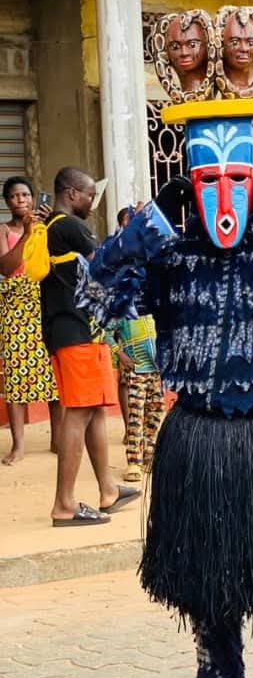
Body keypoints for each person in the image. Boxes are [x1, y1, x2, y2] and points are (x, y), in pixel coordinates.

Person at [81, 52, 253, 678]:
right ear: (188, 183)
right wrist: (148, 225)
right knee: (206, 586)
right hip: (194, 435)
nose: (224, 195)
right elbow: (93, 296)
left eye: (238, 179)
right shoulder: (170, 251)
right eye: (208, 180)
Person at [39, 167, 139, 526]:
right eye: (88, 195)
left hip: (78, 330)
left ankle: (107, 490)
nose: (92, 203)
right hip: (76, 331)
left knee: (94, 409)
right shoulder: (68, 226)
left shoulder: (53, 227)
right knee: (79, 412)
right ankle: (64, 505)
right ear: (71, 193)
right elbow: (106, 266)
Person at [0, 175, 60, 464]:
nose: (20, 200)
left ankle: (58, 439)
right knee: (15, 371)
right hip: (15, 306)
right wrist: (25, 234)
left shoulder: (46, 226)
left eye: (25, 195)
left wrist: (45, 226)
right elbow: (5, 267)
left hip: (45, 301)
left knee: (53, 371)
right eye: (14, 196)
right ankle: (19, 445)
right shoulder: (4, 230)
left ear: (34, 198)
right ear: (7, 201)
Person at [108, 310, 162, 484]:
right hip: (137, 371)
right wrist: (120, 354)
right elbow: (105, 332)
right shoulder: (124, 312)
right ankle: (133, 462)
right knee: (136, 417)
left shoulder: (154, 308)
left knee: (155, 415)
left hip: (157, 372)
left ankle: (149, 455)